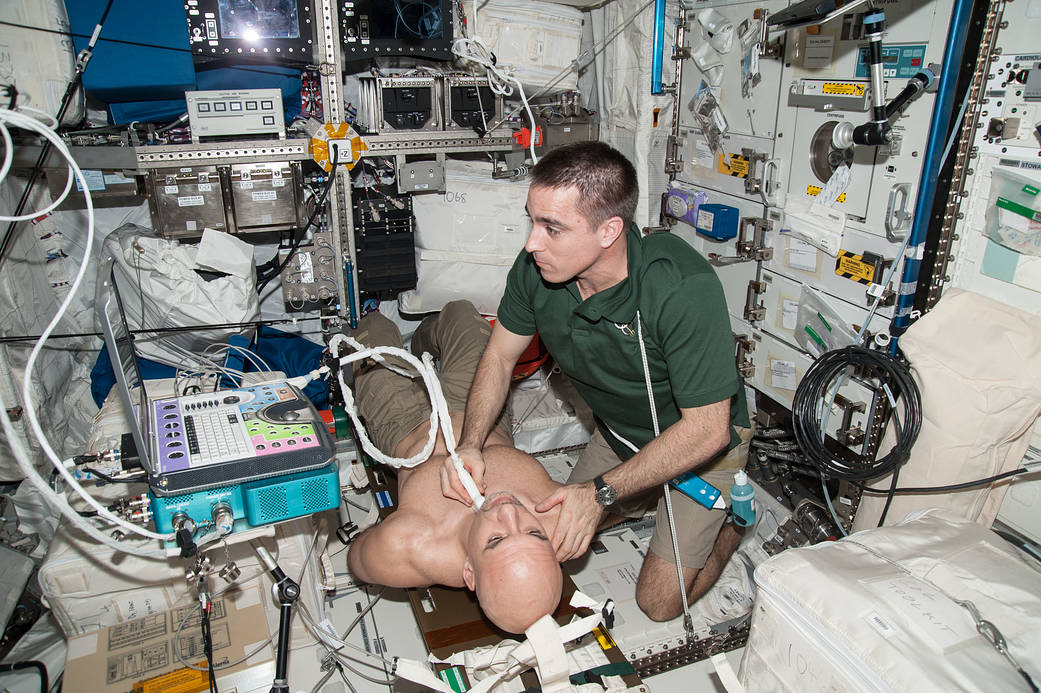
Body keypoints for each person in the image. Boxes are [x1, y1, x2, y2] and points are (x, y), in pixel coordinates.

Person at [446, 140, 752, 622]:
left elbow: (707, 430)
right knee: (551, 530)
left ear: (609, 231)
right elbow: (500, 358)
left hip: (703, 447)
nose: (531, 242)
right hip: (622, 435)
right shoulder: (537, 269)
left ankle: (733, 525)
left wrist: (602, 494)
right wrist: (470, 444)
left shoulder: (679, 287)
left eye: (552, 228)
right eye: (532, 220)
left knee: (658, 604)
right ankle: (639, 495)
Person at [344, 301, 564, 634]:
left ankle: (402, 358)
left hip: (404, 424)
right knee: (460, 312)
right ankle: (421, 341)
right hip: (480, 411)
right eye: (535, 533)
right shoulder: (560, 519)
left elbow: (356, 559)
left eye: (495, 540)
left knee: (372, 327)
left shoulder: (414, 546)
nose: (509, 512)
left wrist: (387, 528)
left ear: (469, 573)